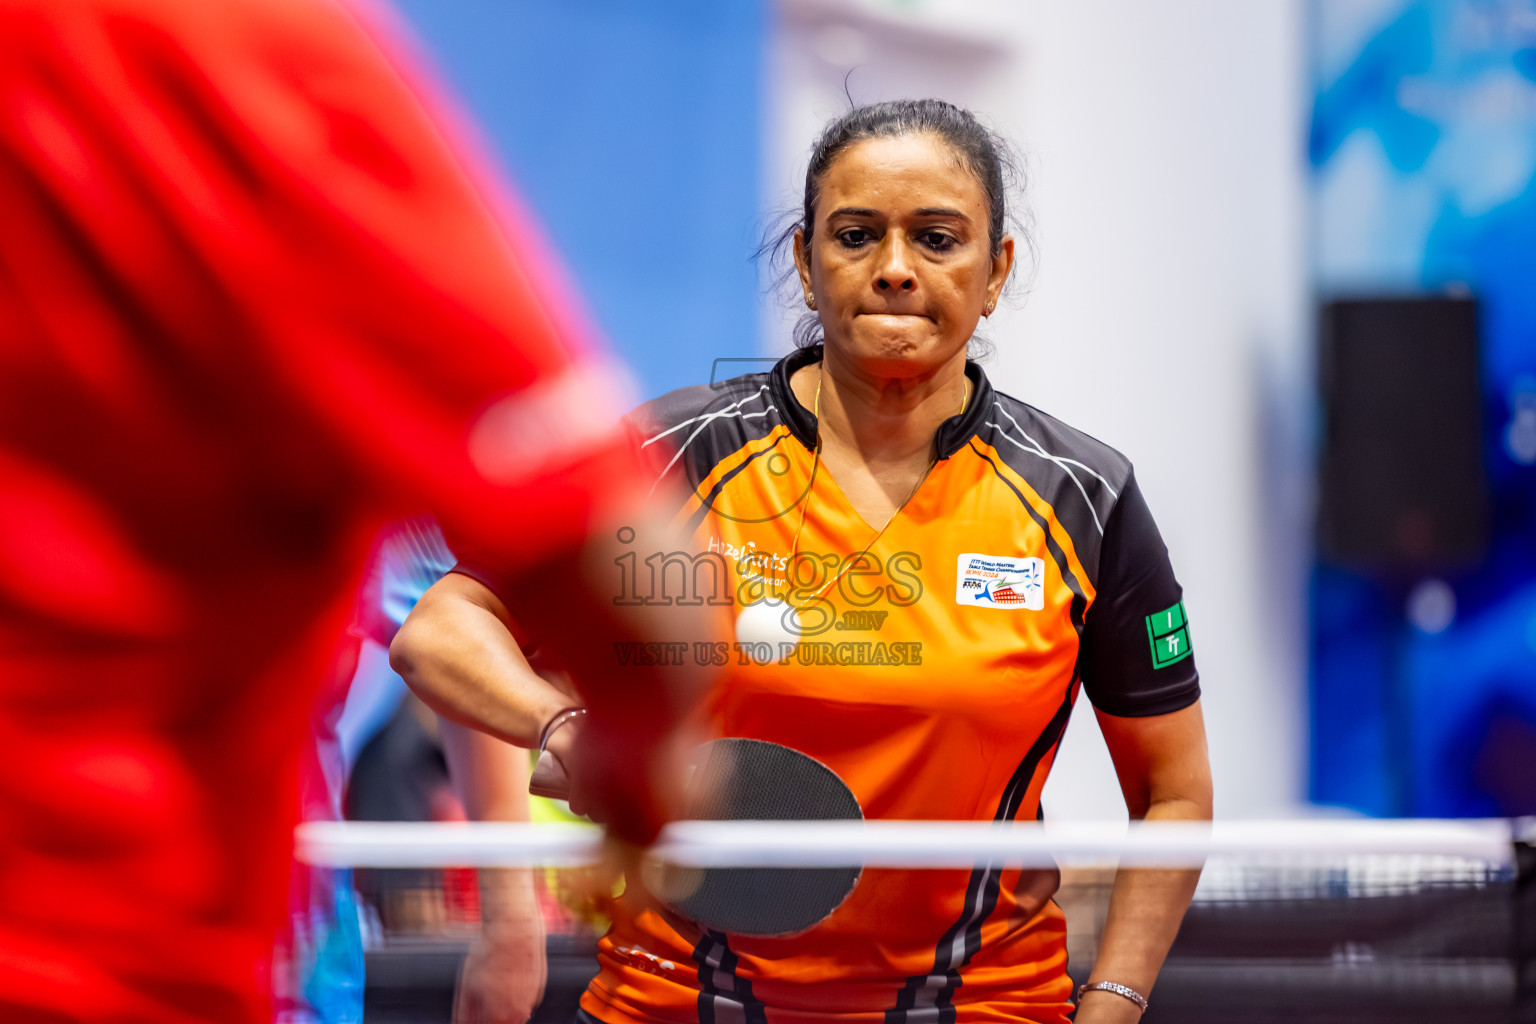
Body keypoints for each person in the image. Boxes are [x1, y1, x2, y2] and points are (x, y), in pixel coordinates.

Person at [394, 99, 1213, 1024]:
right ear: (805, 258)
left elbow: (1174, 792)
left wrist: (1112, 1002)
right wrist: (563, 730)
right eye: (857, 235)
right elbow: (440, 630)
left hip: (982, 1007)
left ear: (997, 271)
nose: (896, 269)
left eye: (938, 239)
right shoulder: (679, 453)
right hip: (673, 1005)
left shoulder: (1083, 497)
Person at [0, 1, 712, 1020]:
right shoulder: (210, 50)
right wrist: (637, 781)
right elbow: (577, 553)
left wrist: (517, 906)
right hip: (97, 963)